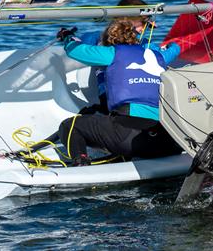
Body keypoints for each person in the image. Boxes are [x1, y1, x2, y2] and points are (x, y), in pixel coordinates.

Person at [56, 18, 182, 165]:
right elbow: (175, 49)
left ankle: (81, 162)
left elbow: (74, 50)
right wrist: (171, 45)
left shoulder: (112, 53)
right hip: (168, 140)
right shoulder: (158, 56)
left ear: (109, 41)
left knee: (69, 126)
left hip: (128, 138)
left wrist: (67, 36)